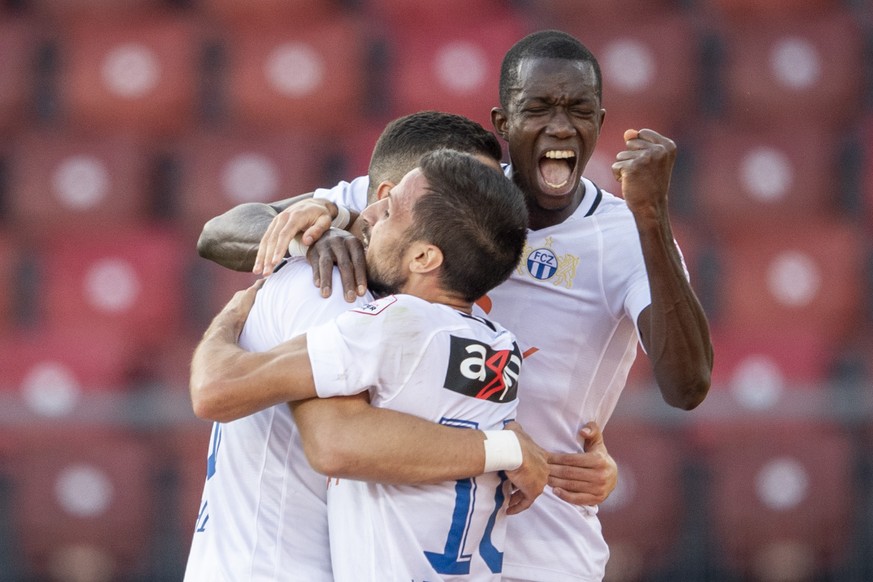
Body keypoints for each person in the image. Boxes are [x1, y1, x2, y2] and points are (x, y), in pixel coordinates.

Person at [200, 29, 712, 581]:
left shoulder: (625, 235)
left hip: (542, 548)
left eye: (579, 110)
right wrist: (316, 235)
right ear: (503, 122)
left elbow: (687, 386)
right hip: (426, 529)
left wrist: (653, 219)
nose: (560, 126)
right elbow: (223, 231)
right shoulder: (435, 197)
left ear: (600, 123)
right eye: (538, 107)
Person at [183, 113, 555, 582]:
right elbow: (218, 232)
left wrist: (229, 318)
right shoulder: (485, 337)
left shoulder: (386, 315)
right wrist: (508, 447)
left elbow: (328, 436)